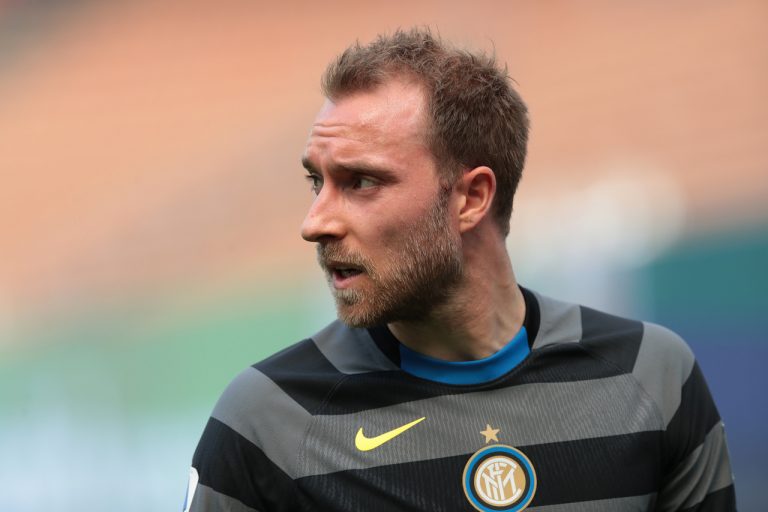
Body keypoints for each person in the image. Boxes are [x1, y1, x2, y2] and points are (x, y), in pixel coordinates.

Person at [185, 28, 736, 512]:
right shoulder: (268, 418)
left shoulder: (651, 375)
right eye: (317, 182)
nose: (315, 223)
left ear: (471, 198)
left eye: (362, 182)